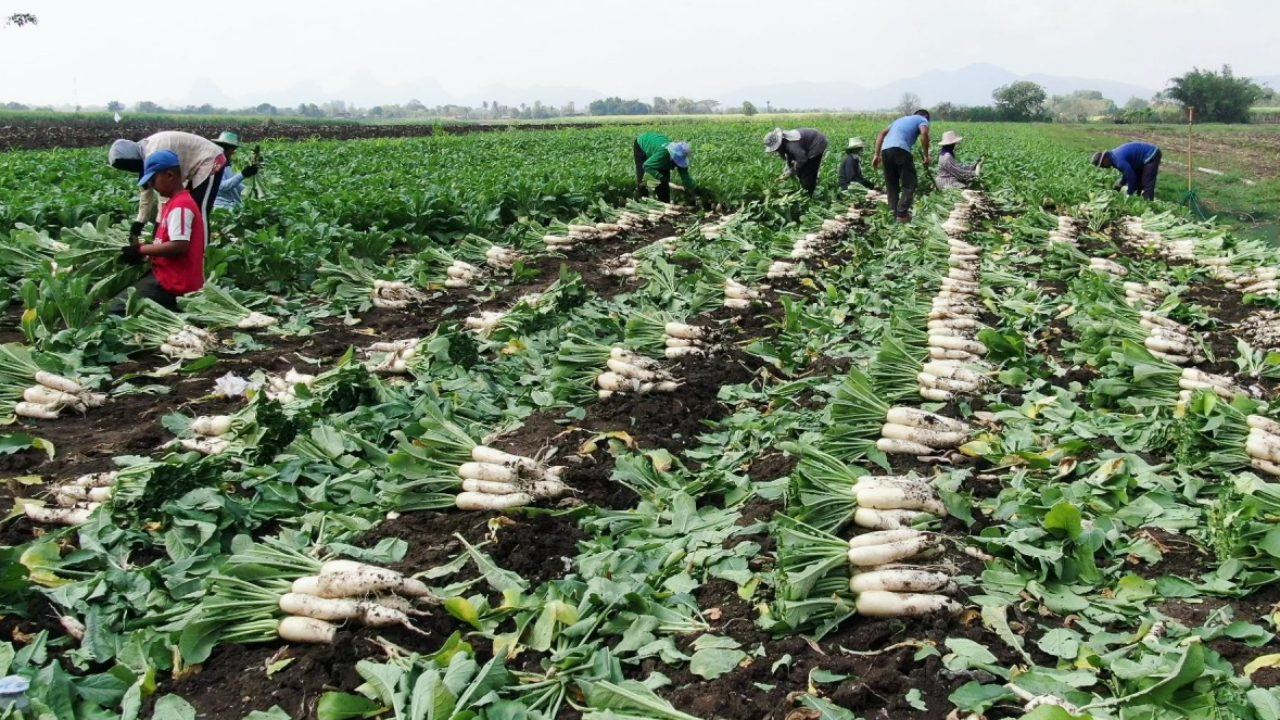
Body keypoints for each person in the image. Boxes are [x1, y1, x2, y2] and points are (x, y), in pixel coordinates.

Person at [109, 151, 207, 314]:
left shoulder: (180, 205)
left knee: (114, 310)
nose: (152, 186)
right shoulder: (174, 202)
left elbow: (179, 245)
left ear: (169, 175)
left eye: (153, 180)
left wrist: (140, 249)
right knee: (123, 297)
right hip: (167, 276)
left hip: (172, 282)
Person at [107, 131, 225, 244]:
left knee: (199, 210)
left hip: (209, 158)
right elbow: (145, 192)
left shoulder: (154, 152)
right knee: (188, 211)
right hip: (192, 166)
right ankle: (188, 249)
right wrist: (139, 223)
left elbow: (166, 194)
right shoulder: (143, 155)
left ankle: (203, 255)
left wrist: (158, 231)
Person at [872, 110, 931, 223]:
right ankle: (902, 214)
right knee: (910, 184)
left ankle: (892, 217)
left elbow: (881, 134)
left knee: (892, 186)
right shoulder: (922, 119)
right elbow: (924, 133)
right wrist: (926, 156)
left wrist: (876, 154)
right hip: (900, 149)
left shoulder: (899, 120)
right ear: (926, 117)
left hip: (886, 151)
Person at [764, 127, 828, 196]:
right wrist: (788, 167)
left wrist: (791, 171)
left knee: (808, 171)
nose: (776, 150)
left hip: (817, 143)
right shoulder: (784, 142)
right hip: (806, 145)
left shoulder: (792, 145)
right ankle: (803, 187)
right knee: (800, 170)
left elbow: (802, 159)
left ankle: (807, 194)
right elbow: (789, 157)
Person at [633, 133, 694, 203]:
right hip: (642, 145)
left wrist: (694, 188)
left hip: (658, 148)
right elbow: (647, 166)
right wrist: (659, 176)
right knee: (642, 177)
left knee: (664, 183)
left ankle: (664, 204)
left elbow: (685, 176)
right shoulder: (663, 153)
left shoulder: (679, 156)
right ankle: (641, 201)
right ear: (672, 156)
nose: (675, 166)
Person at [1091, 142, 1162, 200]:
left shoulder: (1118, 160)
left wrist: (1129, 194)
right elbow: (1127, 172)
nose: (1103, 167)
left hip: (1151, 154)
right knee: (1138, 180)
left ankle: (1148, 203)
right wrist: (1120, 184)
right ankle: (1139, 198)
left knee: (1147, 181)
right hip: (1141, 159)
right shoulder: (1113, 158)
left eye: (1102, 165)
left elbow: (1131, 176)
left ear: (1104, 159)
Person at [211, 131, 261, 209]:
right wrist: (243, 174)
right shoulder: (215, 164)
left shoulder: (225, 163)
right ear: (225, 148)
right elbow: (222, 187)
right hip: (221, 207)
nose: (233, 152)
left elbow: (234, 185)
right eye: (232, 149)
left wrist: (249, 190)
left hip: (231, 204)